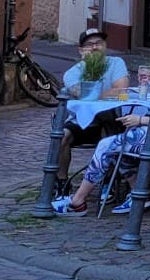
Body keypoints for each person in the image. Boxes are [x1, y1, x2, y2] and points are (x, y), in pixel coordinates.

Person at [52, 37, 150, 216]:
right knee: (122, 140)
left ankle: (78, 201)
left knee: (107, 145)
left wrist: (140, 120)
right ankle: (139, 194)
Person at [54, 28, 131, 191]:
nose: (95, 47)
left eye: (99, 43)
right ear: (81, 50)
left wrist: (95, 93)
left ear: (105, 46)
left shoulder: (116, 63)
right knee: (61, 138)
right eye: (89, 45)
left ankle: (108, 181)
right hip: (82, 120)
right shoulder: (73, 73)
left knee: (109, 135)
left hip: (110, 119)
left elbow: (122, 91)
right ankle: (62, 181)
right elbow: (80, 93)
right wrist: (104, 91)